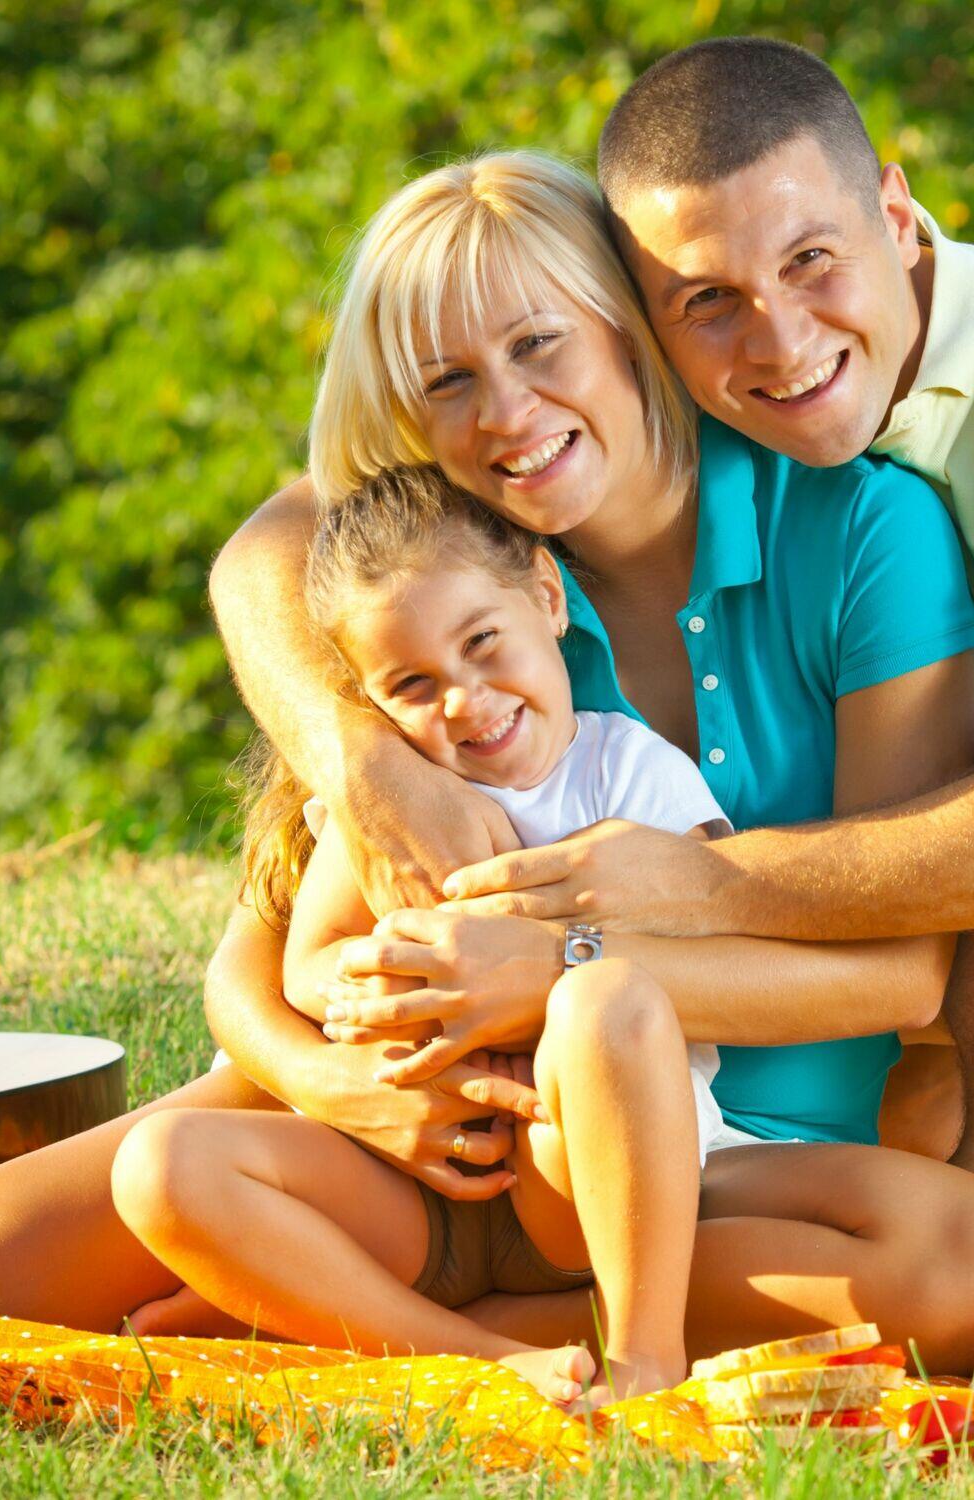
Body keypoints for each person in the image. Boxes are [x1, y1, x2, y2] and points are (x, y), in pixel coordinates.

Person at [0, 150, 974, 1374]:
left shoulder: (858, 530)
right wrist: (332, 1075)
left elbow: (901, 973)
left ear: (628, 328)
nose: (508, 413)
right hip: (427, 1146)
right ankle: (389, 1304)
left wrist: (558, 967)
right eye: (450, 381)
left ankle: (415, 1333)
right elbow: (254, 971)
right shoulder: (450, 595)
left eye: (539, 345)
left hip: (730, 1153)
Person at [440, 39, 974, 1218]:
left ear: (898, 218)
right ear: (648, 323)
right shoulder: (669, 393)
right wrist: (362, 762)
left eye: (811, 260)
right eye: (710, 301)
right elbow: (302, 527)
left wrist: (702, 882)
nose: (779, 340)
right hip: (861, 888)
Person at [112, 463, 741, 1403]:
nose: (463, 701)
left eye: (482, 643)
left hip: (575, 1179)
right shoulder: (397, 805)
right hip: (412, 1171)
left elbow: (703, 969)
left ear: (547, 597)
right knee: (159, 1165)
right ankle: (480, 1360)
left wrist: (536, 985)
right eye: (412, 683)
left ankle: (644, 1357)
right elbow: (308, 968)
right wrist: (400, 984)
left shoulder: (630, 776)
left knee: (608, 998)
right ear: (368, 699)